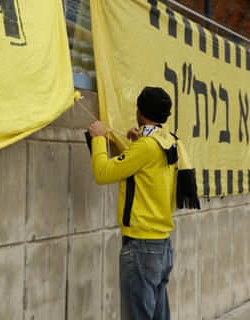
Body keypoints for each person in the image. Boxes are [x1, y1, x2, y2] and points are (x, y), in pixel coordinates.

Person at [88, 86, 199, 320]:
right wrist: (136, 143)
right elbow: (146, 171)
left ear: (141, 111)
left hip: (141, 249)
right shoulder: (170, 142)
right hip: (162, 247)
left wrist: (98, 139)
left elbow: (103, 173)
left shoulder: (146, 147)